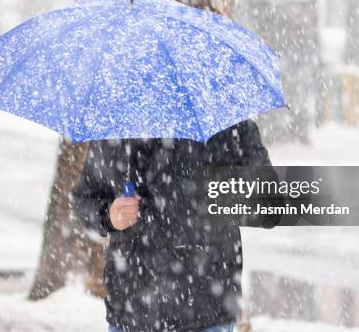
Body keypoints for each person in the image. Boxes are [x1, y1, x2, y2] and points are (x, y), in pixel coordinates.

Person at [73, 119, 279, 332]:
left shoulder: (229, 124)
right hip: (130, 310)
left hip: (205, 308)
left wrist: (206, 193)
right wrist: (109, 215)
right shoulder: (118, 125)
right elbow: (84, 199)